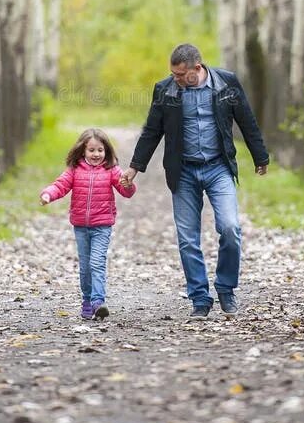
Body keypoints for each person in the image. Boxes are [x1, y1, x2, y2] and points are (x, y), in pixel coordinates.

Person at [121, 44, 268, 319]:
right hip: (184, 172)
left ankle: (226, 288)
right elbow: (152, 131)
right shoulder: (166, 90)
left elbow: (247, 121)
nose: (175, 79)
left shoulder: (226, 83)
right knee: (188, 239)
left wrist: (260, 156)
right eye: (173, 74)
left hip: (218, 168)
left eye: (180, 74)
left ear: (197, 68)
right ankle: (200, 298)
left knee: (230, 228)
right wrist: (135, 167)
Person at [40, 128, 136, 321]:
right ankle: (86, 300)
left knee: (97, 263)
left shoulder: (111, 170)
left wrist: (128, 184)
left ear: (106, 151)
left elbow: (127, 191)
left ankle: (98, 302)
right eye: (91, 150)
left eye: (100, 150)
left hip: (102, 225)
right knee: (85, 267)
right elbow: (61, 185)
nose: (96, 154)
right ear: (82, 151)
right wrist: (48, 194)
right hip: (81, 226)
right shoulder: (75, 170)